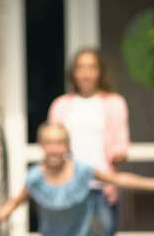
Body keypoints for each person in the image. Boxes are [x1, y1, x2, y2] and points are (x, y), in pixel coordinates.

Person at [0, 123, 154, 236]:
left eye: (59, 143)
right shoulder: (35, 177)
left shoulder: (82, 171)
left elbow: (118, 179)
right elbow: (16, 201)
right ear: (41, 146)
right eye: (49, 143)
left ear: (67, 146)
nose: (54, 148)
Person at [48, 49, 129, 235]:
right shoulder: (61, 105)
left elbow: (121, 143)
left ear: (100, 72)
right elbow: (52, 143)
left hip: (101, 188)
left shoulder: (114, 103)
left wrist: (118, 154)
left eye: (92, 67)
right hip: (69, 188)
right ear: (74, 73)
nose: (86, 73)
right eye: (81, 68)